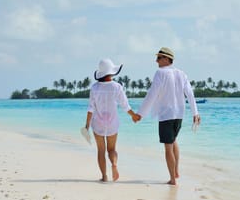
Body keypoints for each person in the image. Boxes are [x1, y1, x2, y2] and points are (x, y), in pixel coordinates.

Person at [135, 47, 201, 185]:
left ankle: (172, 179)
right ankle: (176, 171)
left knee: (168, 147)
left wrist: (140, 114)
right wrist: (195, 113)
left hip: (166, 115)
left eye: (159, 58)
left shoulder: (160, 73)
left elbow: (152, 94)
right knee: (173, 141)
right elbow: (190, 93)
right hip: (179, 115)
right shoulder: (181, 73)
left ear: (166, 58)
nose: (156, 61)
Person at [84, 58, 139, 182]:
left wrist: (86, 125)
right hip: (112, 123)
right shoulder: (117, 87)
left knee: (101, 151)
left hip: (97, 124)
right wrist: (134, 116)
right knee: (112, 149)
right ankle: (114, 164)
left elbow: (90, 108)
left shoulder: (94, 87)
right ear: (111, 72)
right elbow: (125, 106)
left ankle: (104, 176)